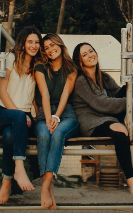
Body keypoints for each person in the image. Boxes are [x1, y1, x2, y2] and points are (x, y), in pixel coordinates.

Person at [71, 42, 133, 199]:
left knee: (130, 88)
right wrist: (131, 102)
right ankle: (131, 181)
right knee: (121, 131)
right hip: (91, 121)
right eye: (84, 55)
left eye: (91, 51)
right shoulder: (81, 80)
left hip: (106, 115)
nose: (90, 55)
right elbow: (101, 103)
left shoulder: (103, 76)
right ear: (80, 61)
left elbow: (118, 93)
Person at [0, 27, 41, 206]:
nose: (34, 46)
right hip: (5, 110)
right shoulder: (11, 58)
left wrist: (34, 115)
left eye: (36, 42)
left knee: (9, 136)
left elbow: (34, 95)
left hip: (24, 115)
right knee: (17, 119)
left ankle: (6, 185)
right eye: (30, 42)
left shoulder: (37, 65)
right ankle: (19, 168)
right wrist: (19, 114)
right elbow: (2, 91)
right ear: (22, 42)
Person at [34, 33, 80, 209]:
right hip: (43, 113)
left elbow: (65, 95)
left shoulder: (72, 68)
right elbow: (44, 94)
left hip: (66, 113)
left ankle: (45, 186)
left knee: (58, 133)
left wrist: (56, 117)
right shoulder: (40, 67)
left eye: (53, 45)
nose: (50, 50)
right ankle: (49, 185)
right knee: (45, 136)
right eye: (46, 48)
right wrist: (48, 118)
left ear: (60, 46)